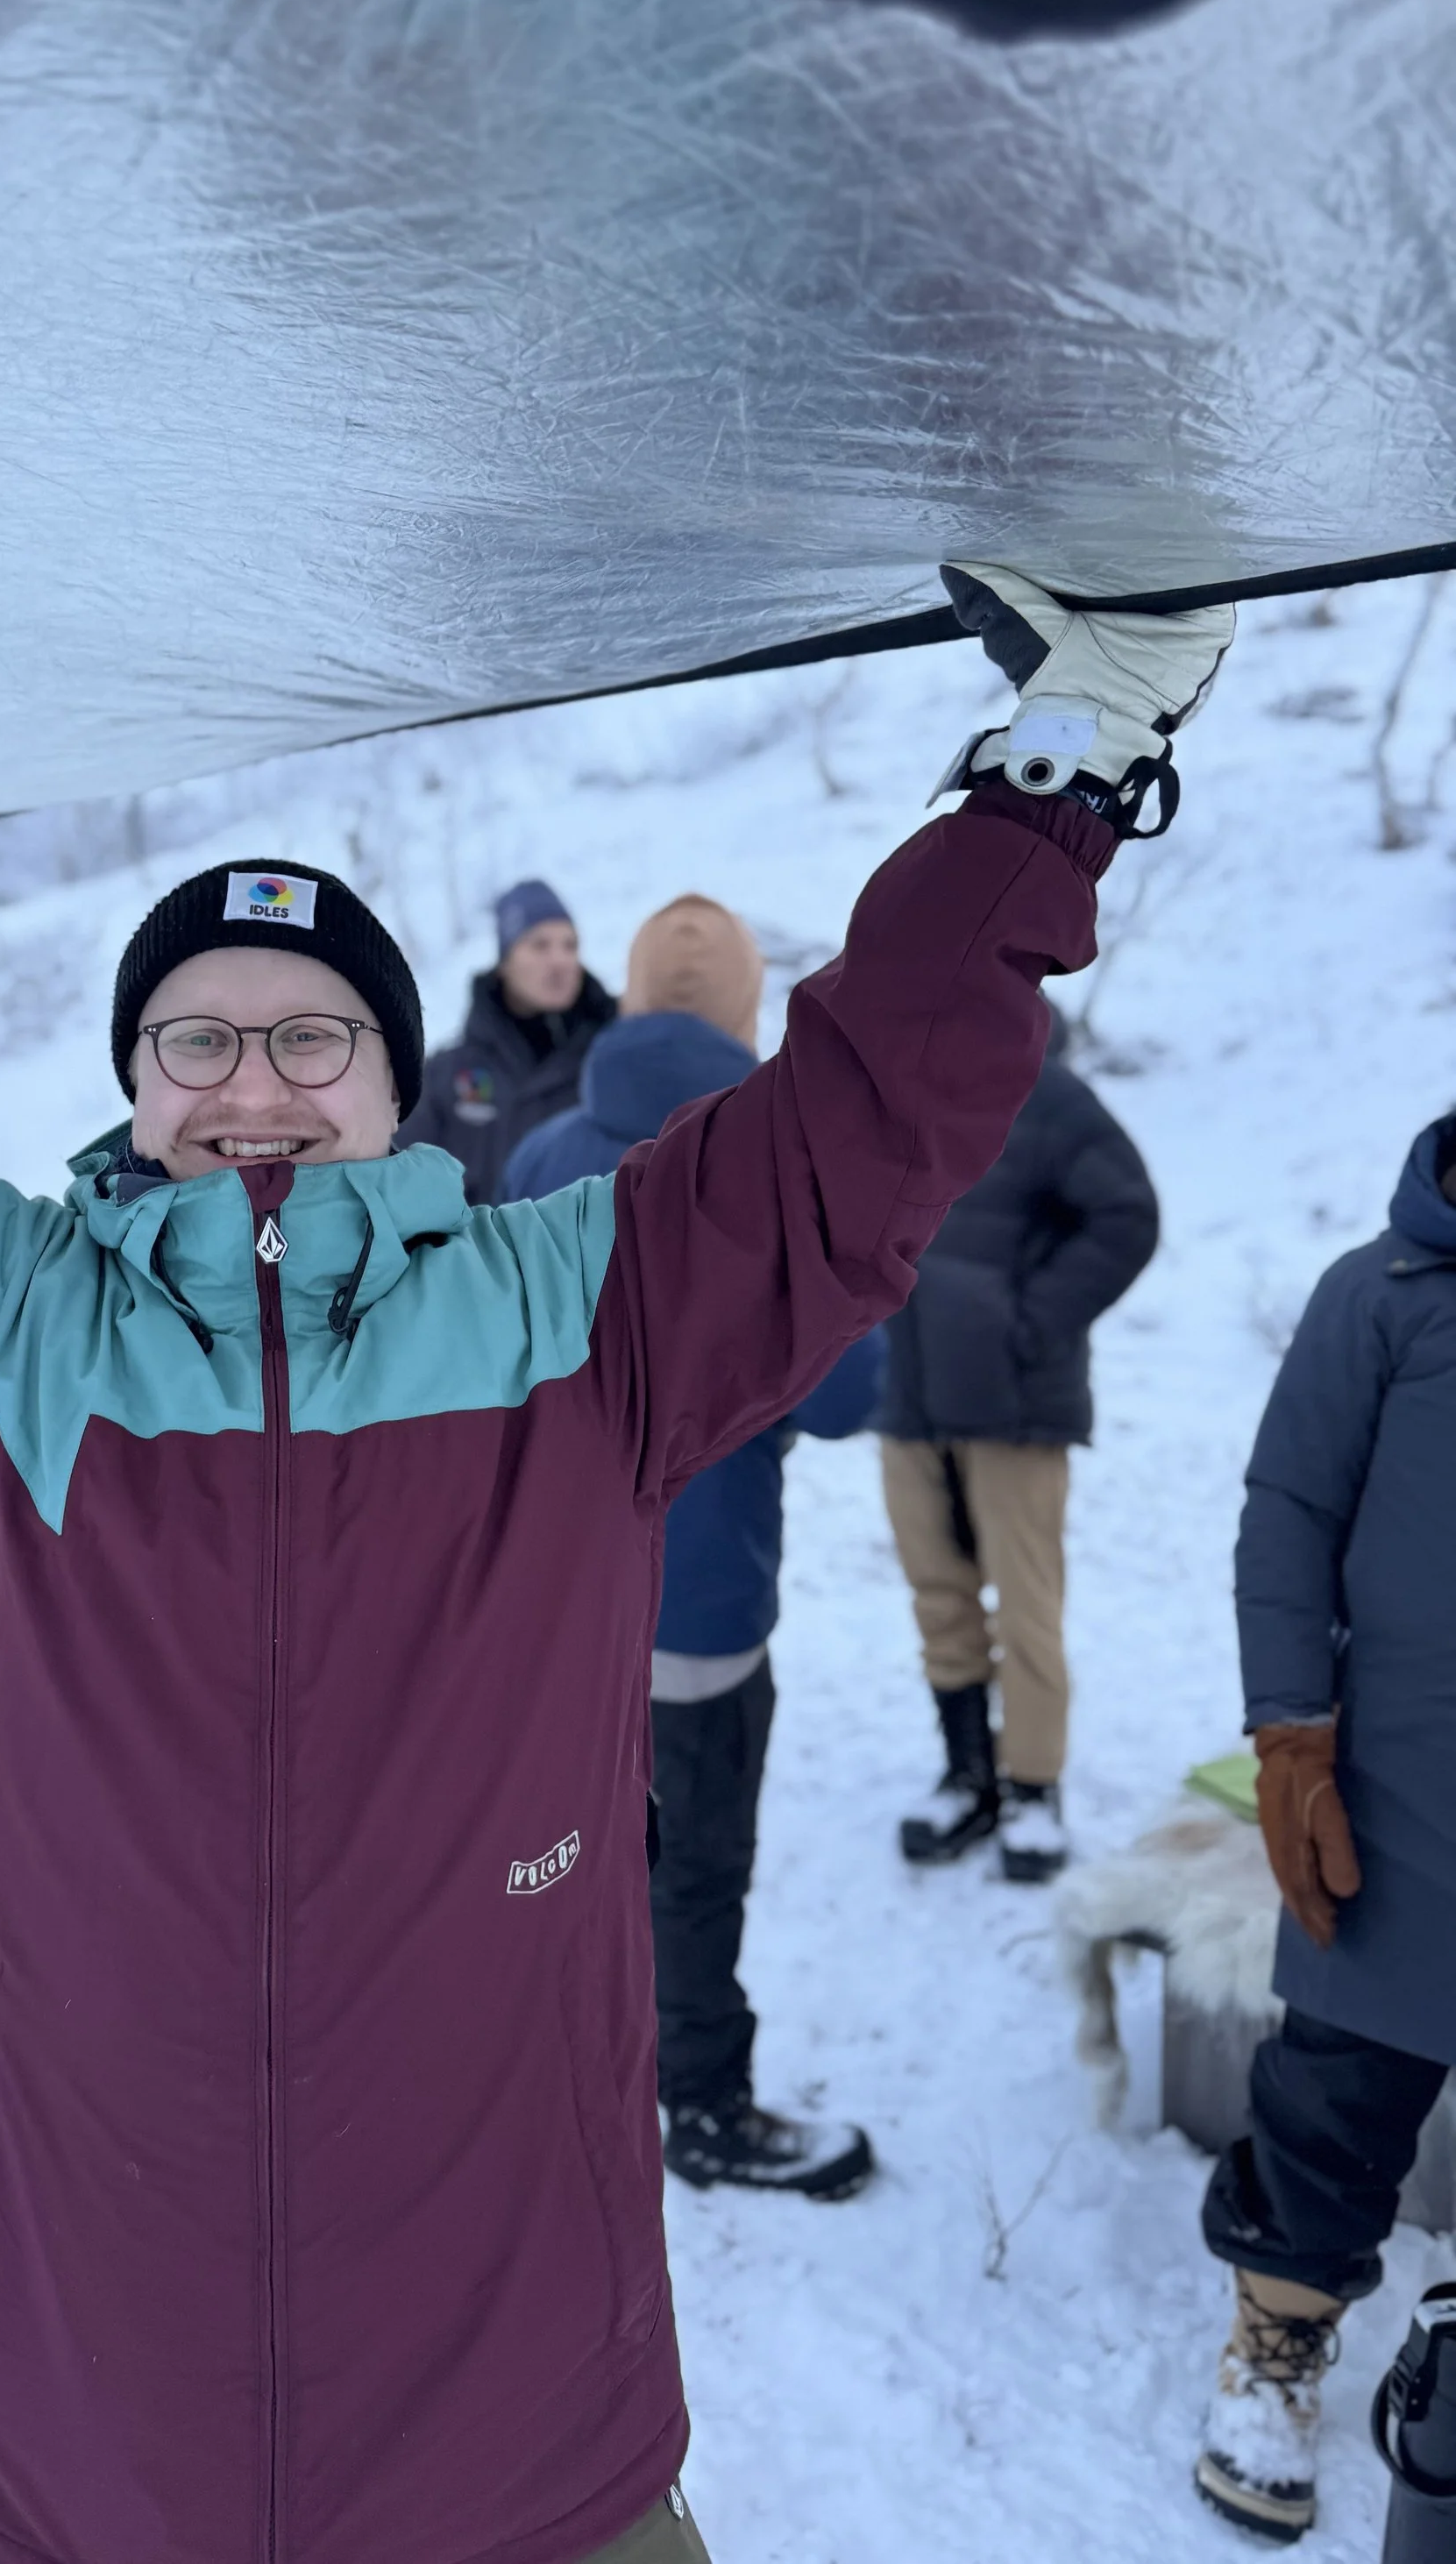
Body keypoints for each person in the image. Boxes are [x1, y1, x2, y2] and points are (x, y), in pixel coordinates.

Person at [0, 406, 1229, 2564]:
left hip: (519, 2442)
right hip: (66, 2431)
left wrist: (1057, 776)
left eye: (310, 1036)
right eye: (195, 1035)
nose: (251, 1081)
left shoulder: (580, 1316)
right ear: (132, 1083)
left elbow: (863, 1121)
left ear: (394, 1087)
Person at [507, 896, 884, 2201]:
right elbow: (849, 1396)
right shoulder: (780, 1175)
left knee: (560, 1853)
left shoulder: (542, 1148)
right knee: (696, 1869)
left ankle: (555, 2083)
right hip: (702, 1604)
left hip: (549, 1597)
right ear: (742, 1014)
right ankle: (706, 2110)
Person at [1191, 1110, 1456, 2546]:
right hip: (1405, 1791)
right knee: (1337, 2098)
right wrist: (1291, 1733)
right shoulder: (1384, 1296)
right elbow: (1288, 1510)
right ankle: (1276, 2344)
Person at [881, 1004, 1159, 1881]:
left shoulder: (1050, 1095)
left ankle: (1034, 1786)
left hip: (1016, 1403)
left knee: (1026, 1604)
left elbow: (1128, 1216)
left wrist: (1029, 1322)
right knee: (938, 1593)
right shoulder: (902, 1089)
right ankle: (967, 1775)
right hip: (909, 1392)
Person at [397, 876, 616, 1200]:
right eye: (539, 945)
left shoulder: (611, 1061)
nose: (560, 960)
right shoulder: (446, 1077)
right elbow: (399, 1184)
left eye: (570, 945)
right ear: (505, 962)